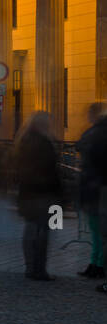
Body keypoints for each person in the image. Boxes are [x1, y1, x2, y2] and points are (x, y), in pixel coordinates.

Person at [14, 111, 62, 281]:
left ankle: (30, 267)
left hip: (28, 191)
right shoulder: (43, 142)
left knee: (31, 229)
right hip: (44, 193)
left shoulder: (23, 141)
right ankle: (39, 269)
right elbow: (50, 170)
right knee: (44, 231)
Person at [75, 103, 107, 280]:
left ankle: (98, 264)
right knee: (96, 229)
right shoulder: (96, 131)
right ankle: (95, 263)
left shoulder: (97, 132)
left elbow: (84, 147)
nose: (86, 116)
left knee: (98, 230)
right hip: (95, 186)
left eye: (89, 113)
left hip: (97, 187)